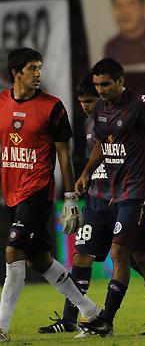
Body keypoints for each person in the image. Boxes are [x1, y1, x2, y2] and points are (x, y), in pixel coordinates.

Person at [75, 58, 145, 337]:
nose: (100, 89)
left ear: (121, 81)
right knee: (142, 256)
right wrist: (87, 171)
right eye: (97, 84)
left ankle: (105, 320)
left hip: (138, 192)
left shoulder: (142, 105)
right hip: (117, 192)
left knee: (118, 253)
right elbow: (102, 143)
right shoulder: (100, 108)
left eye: (106, 84)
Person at [0, 47, 99, 342]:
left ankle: (1, 327)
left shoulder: (53, 107)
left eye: (40, 68)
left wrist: (69, 198)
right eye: (32, 68)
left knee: (13, 251)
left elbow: (64, 156)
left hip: (38, 192)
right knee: (38, 260)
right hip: (11, 193)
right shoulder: (1, 103)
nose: (38, 74)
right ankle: (90, 310)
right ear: (16, 73)